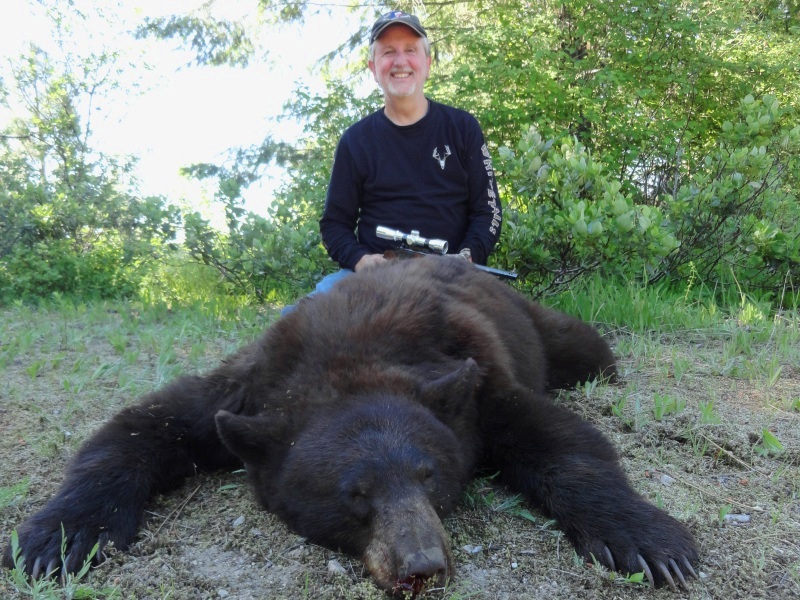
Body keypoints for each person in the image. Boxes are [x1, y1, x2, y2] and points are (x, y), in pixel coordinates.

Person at [285, 10, 502, 312]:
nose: (400, 62)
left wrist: (467, 257)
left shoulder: (463, 128)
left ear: (427, 63)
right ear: (373, 67)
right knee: (295, 319)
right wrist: (361, 260)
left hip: (452, 276)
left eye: (410, 50)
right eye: (388, 52)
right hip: (375, 279)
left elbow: (488, 212)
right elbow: (335, 225)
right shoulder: (355, 141)